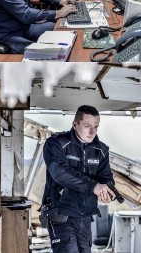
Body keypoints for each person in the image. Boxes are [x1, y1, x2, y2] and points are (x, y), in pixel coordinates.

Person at [41, 105, 116, 253]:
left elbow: (106, 177)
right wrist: (94, 187)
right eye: (87, 126)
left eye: (96, 126)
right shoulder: (56, 144)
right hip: (61, 214)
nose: (92, 131)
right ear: (75, 125)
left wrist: (108, 190)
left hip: (85, 216)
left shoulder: (100, 150)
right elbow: (60, 173)